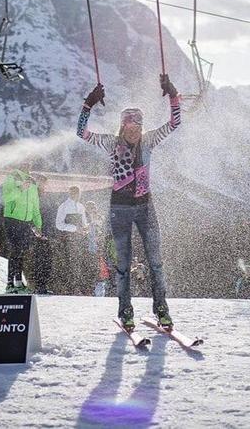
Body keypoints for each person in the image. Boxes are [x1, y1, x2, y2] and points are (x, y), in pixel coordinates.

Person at [76, 75, 181, 330]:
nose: (133, 131)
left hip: (146, 207)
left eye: (136, 128)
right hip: (119, 209)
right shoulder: (112, 144)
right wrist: (88, 105)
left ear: (141, 128)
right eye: (128, 128)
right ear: (122, 127)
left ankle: (162, 311)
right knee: (122, 266)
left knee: (155, 262)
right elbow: (81, 132)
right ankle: (126, 312)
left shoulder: (149, 141)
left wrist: (173, 95)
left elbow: (175, 123)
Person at [1, 163, 43, 294]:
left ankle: (18, 283)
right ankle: (9, 284)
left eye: (29, 162)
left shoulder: (33, 182)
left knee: (21, 252)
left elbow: (35, 205)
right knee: (15, 250)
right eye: (25, 162)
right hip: (12, 219)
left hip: (26, 222)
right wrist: (20, 189)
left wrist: (38, 225)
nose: (28, 164)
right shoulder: (12, 177)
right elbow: (6, 198)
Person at [55, 185, 89, 294]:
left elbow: (84, 224)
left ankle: (77, 288)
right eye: (73, 192)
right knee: (69, 263)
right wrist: (75, 229)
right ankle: (69, 289)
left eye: (77, 192)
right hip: (68, 239)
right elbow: (58, 225)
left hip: (80, 239)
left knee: (80, 262)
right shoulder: (63, 206)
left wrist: (86, 228)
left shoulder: (81, 207)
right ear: (70, 193)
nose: (76, 195)